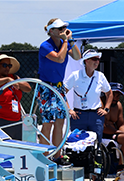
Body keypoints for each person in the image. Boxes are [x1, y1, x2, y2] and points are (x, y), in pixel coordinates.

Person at [38, 18, 81, 161]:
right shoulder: (45, 46)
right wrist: (65, 42)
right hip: (46, 87)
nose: (63, 30)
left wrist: (71, 40)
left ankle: (57, 156)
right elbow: (59, 59)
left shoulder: (65, 44)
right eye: (59, 28)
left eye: (64, 27)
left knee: (60, 122)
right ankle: (44, 157)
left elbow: (77, 56)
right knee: (47, 122)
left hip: (58, 87)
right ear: (51, 31)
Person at [65, 49, 112, 140]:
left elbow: (109, 93)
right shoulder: (75, 75)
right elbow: (62, 93)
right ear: (86, 60)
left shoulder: (100, 76)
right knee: (76, 144)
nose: (97, 61)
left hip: (96, 116)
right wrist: (69, 109)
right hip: (78, 116)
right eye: (94, 59)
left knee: (96, 145)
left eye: (98, 59)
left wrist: (106, 109)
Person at [0, 54, 31, 140]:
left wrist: (14, 81)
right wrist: (7, 80)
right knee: (1, 150)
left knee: (18, 150)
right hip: (0, 121)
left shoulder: (14, 77)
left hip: (16, 121)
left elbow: (28, 88)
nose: (7, 68)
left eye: (9, 66)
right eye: (4, 65)